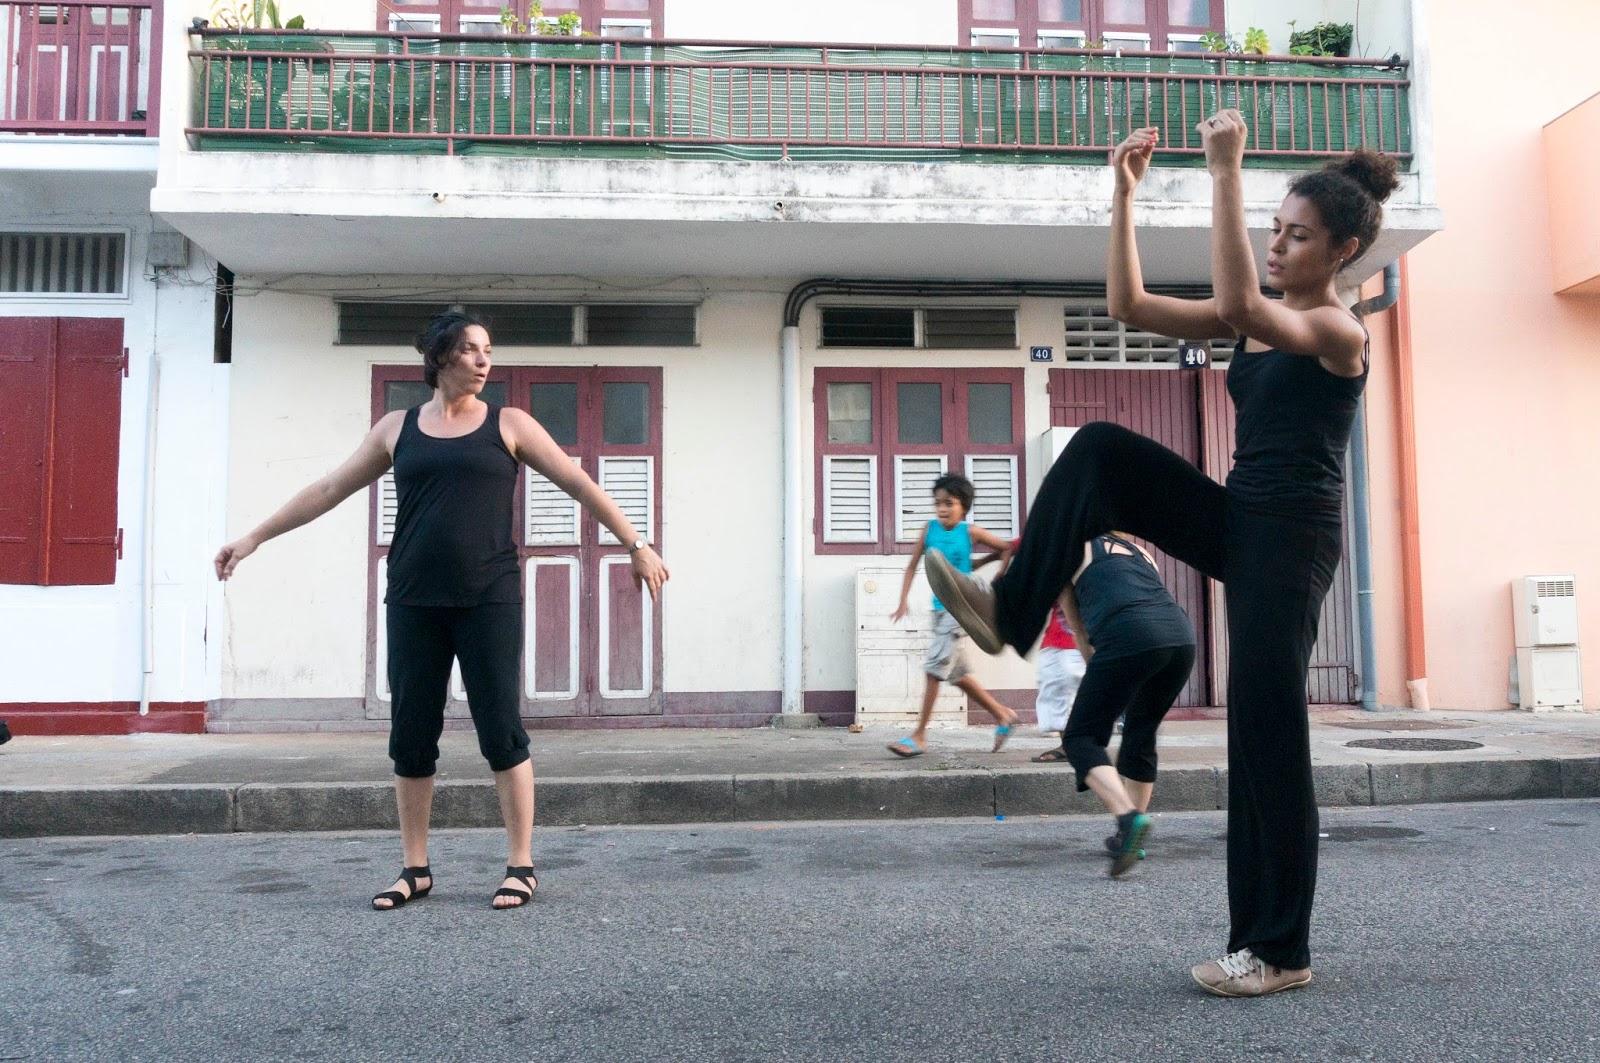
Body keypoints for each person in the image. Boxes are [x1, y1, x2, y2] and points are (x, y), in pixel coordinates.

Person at [928, 112, 1397, 996]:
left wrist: (1225, 172)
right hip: (1238, 516)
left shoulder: (1340, 332)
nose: (1278, 245)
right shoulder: (1256, 322)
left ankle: (1278, 950)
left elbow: (1245, 305)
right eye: (1274, 229)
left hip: (1290, 545)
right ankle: (1012, 610)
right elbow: (1128, 308)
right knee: (1099, 446)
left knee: (1266, 736)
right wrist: (1124, 196)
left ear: (1342, 250)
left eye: (1297, 236)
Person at [214, 311, 668, 911]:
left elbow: (579, 483)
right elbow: (327, 490)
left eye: (488, 351)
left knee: (501, 732)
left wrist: (635, 544)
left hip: (488, 600)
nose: (485, 362)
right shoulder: (397, 429)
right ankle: (415, 868)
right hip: (413, 600)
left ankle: (521, 864)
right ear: (441, 359)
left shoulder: (509, 424)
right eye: (472, 351)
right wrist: (252, 539)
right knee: (411, 738)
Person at [1048, 533, 1195, 877]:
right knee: (1141, 732)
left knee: (1080, 738)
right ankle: (1130, 840)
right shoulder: (1141, 551)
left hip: (1129, 635)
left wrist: (1098, 679)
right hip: (1180, 639)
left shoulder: (1066, 550)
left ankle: (1129, 820)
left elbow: (1081, 632)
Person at [886, 474, 1019, 758]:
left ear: (964, 506)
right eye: (937, 504)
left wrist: (996, 572)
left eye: (949, 503)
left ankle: (919, 736)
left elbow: (1006, 548)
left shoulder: (970, 532)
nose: (942, 509)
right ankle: (1003, 714)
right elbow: (911, 566)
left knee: (934, 669)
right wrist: (902, 601)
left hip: (961, 610)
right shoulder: (929, 530)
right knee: (957, 675)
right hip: (938, 608)